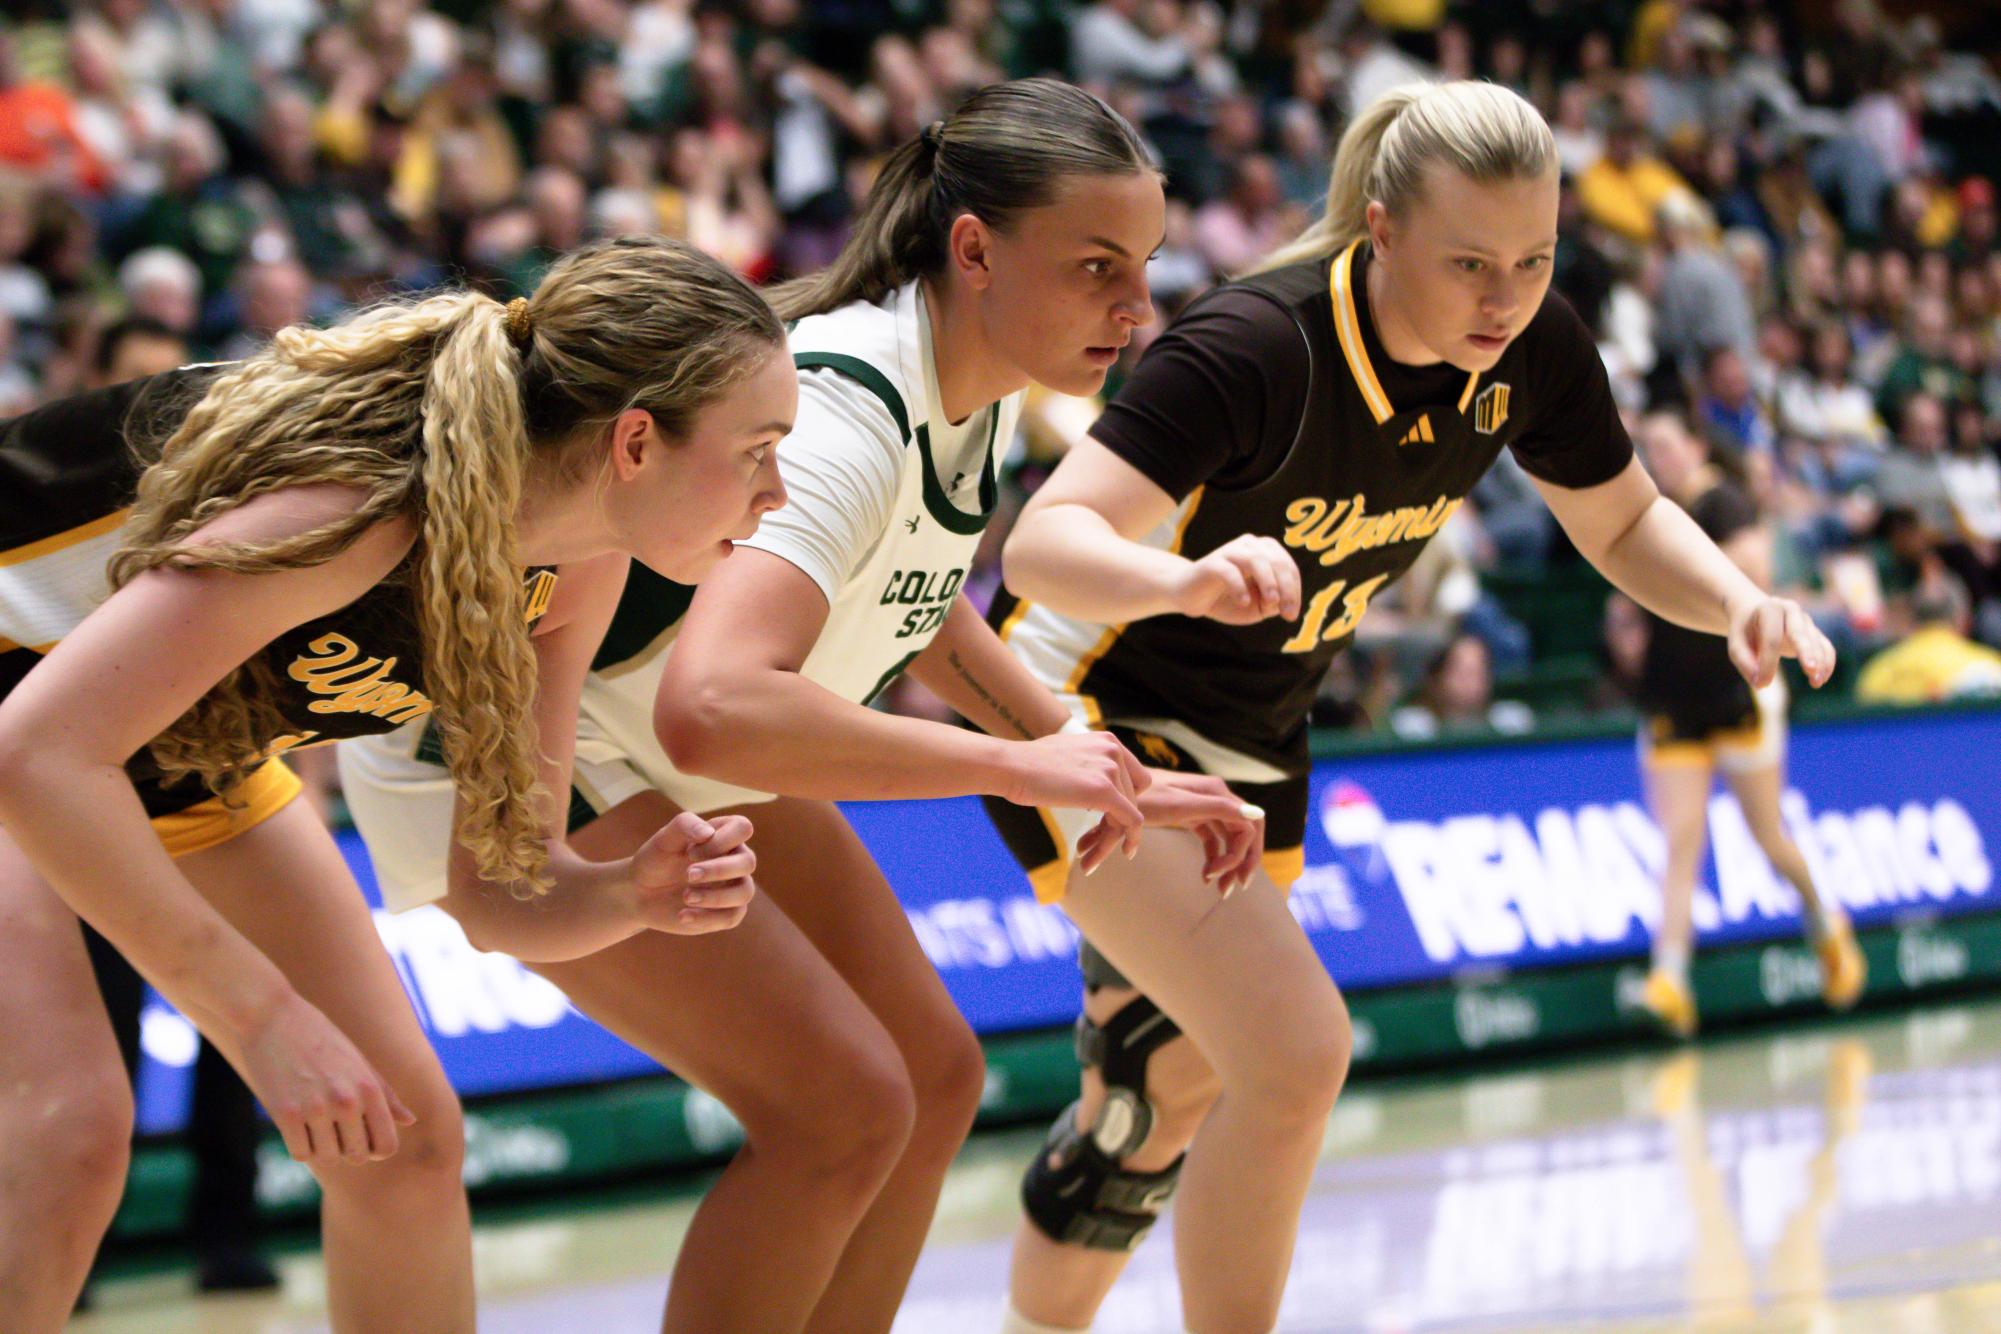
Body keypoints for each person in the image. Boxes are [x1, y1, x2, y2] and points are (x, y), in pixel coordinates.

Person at [342, 80, 1259, 1334]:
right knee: (841, 1108)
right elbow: (714, 705)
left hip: (660, 731)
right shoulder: (847, 408)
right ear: (975, 250)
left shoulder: (969, 391)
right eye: (1098, 265)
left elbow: (911, 594)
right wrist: (1011, 769)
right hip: (544, 730)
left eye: (1145, 266)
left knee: (932, 1077)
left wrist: (1077, 745)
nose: (1135, 306)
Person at [986, 80, 1837, 1334]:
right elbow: (1043, 547)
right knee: (1293, 1057)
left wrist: (1735, 599)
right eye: (1473, 263)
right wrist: (1186, 577)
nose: (1506, 297)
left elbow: (1623, 518)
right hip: (1078, 706)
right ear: (1379, 232)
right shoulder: (1255, 347)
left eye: (1536, 259)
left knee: (1160, 1093)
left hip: (1260, 732)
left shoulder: (1530, 349)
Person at [0, 234, 785, 1332]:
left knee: (402, 1136)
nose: (778, 490)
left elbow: (500, 889)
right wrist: (262, 1015)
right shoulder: (361, 498)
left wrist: (623, 893)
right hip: (27, 717)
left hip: (150, 743)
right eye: (757, 450)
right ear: (638, 441)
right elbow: (32, 753)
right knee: (65, 1135)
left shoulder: (579, 564)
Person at [1630, 412, 1864, 1038]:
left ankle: (1825, 922)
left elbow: (1752, 570)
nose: (1658, 455)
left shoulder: (1720, 502)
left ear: (1696, 445)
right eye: (1647, 447)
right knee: (1680, 842)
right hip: (1674, 697)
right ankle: (1670, 978)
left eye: (1666, 443)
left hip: (1740, 689)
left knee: (1768, 835)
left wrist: (1666, 572)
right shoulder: (1646, 511)